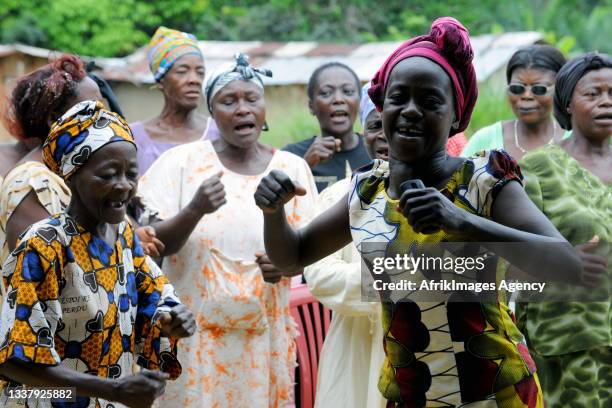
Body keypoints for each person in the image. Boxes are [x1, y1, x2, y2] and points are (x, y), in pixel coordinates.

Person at [254, 17, 585, 407]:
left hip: (495, 392)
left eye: (429, 102)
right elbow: (292, 257)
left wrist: (463, 222)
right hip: (411, 392)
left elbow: (569, 266)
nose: (410, 111)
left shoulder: (482, 182)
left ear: (457, 119)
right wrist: (273, 213)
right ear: (382, 107)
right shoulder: (366, 191)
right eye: (399, 98)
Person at [137, 53, 317, 407]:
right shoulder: (181, 164)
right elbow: (151, 244)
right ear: (213, 112)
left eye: (252, 98)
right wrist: (195, 209)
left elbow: (311, 253)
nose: (242, 109)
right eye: (228, 101)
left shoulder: (290, 170)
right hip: (192, 342)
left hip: (262, 345)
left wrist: (288, 265)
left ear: (264, 109)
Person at [0, 100, 196, 408]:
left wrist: (172, 320)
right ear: (72, 175)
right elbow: (13, 360)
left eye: (131, 173)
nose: (123, 186)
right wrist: (109, 390)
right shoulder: (45, 245)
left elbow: (155, 298)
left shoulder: (123, 236)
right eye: (106, 175)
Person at [516, 52, 611, 408]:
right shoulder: (538, 168)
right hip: (566, 345)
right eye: (593, 94)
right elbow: (513, 258)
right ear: (568, 102)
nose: (606, 102)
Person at [304, 83, 386, 408]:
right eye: (375, 125)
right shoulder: (340, 197)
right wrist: (386, 280)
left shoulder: (447, 194)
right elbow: (319, 273)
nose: (384, 135)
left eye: (393, 123)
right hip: (357, 351)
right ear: (363, 132)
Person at [0, 55, 103, 268]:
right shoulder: (30, 182)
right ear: (54, 118)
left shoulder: (71, 171)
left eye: (102, 110)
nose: (102, 120)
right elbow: (52, 271)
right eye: (90, 110)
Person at [462, 44, 568, 160]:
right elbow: (457, 177)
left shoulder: (577, 141)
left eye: (539, 89)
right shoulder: (485, 140)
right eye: (517, 88)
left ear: (560, 90)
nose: (527, 96)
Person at [131, 26, 212, 176]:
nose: (194, 80)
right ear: (161, 81)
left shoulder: (219, 132)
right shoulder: (134, 138)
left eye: (200, 72)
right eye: (182, 71)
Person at [283, 62, 371, 192]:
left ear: (359, 102)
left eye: (348, 91)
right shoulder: (291, 157)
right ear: (311, 106)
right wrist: (305, 166)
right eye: (326, 93)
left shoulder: (376, 152)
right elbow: (279, 206)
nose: (338, 99)